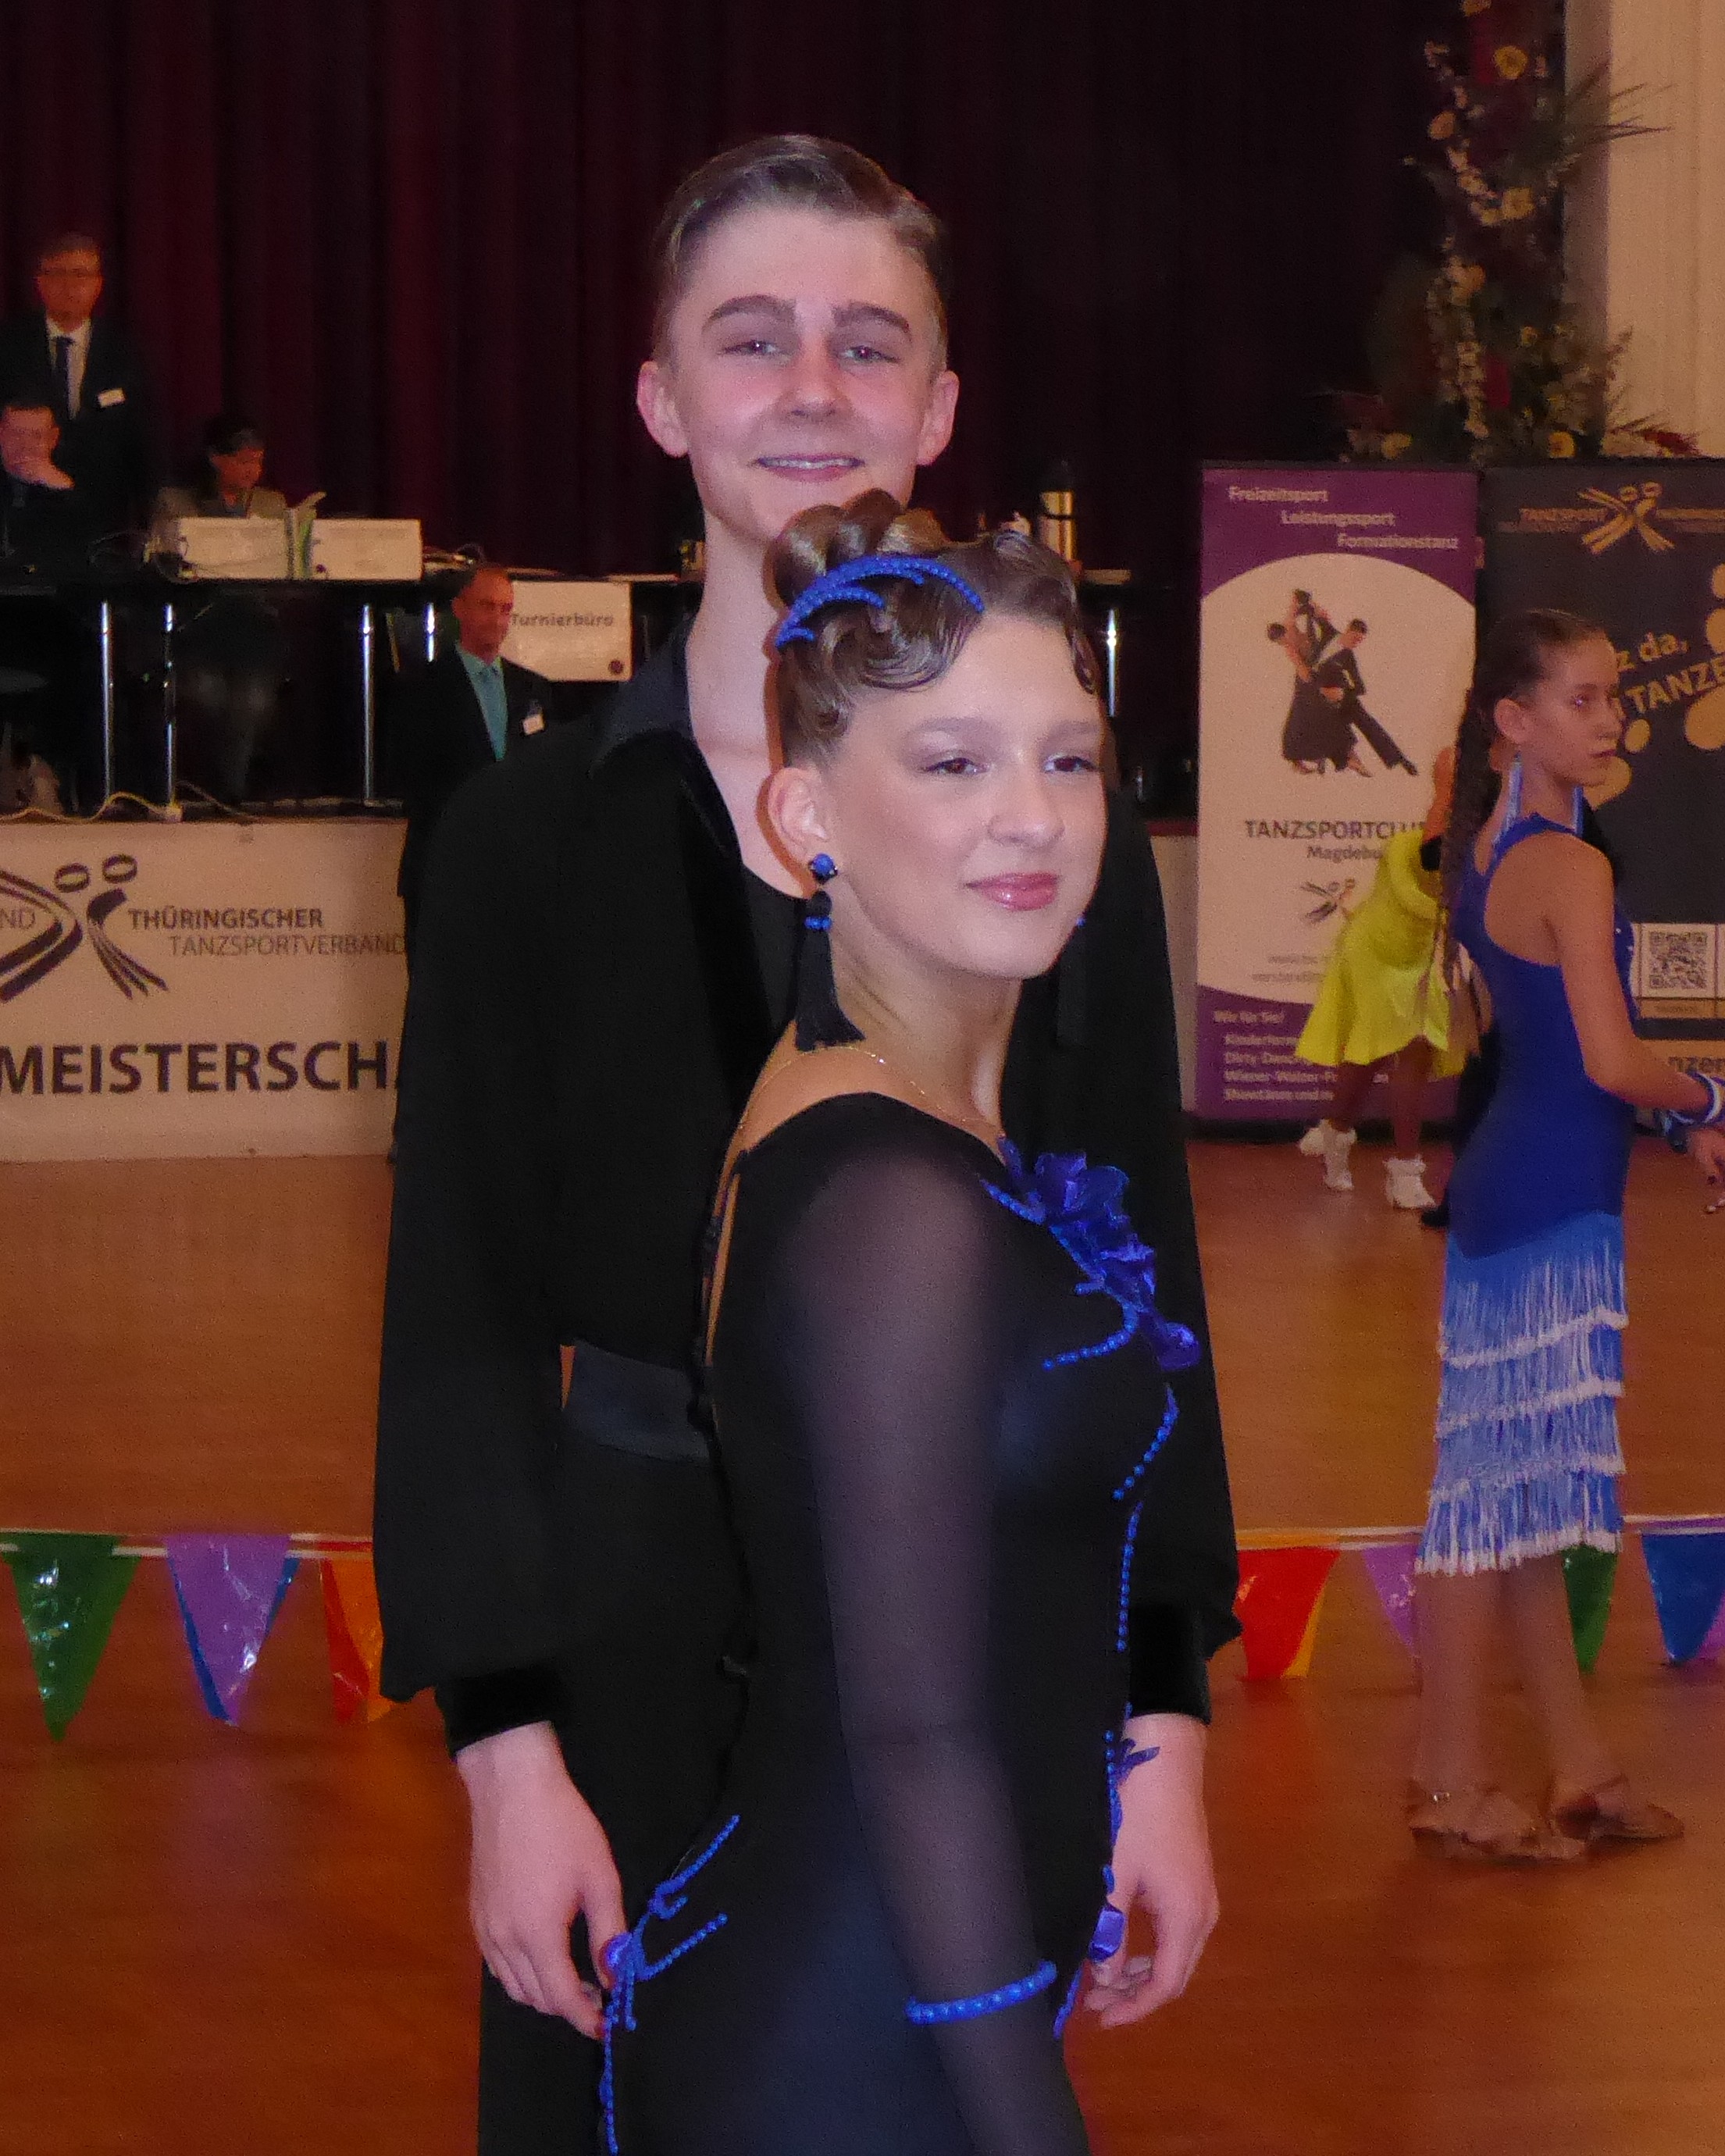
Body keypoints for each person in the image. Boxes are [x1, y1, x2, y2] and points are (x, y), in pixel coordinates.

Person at [374, 135, 1236, 2155]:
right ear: (662, 398)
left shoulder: (1045, 832)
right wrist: (506, 1748)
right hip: (626, 1663)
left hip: (974, 1671)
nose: (814, 387)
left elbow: (1145, 1260)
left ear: (939, 405)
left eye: (870, 341)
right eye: (752, 338)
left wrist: (1165, 1711)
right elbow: (460, 1312)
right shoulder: (524, 839)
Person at [605, 497, 1206, 2153]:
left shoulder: (924, 1124)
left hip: (902, 1998)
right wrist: (1027, 2124)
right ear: (805, 814)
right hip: (853, 2044)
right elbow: (915, 1734)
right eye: (951, 764)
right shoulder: (888, 1199)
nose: (1033, 817)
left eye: (1068, 758)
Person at [1409, 608, 1725, 1862]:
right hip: (1545, 1204)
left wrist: (1675, 1120)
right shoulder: (1569, 865)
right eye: (1582, 700)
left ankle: (1581, 1765)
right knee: (1484, 1501)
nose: (1611, 720)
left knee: (1525, 1497)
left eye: (1613, 698)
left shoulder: (1496, 847)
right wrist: (1707, 1098)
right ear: (1514, 719)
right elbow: (1605, 1056)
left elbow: (1561, 1055)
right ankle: (1447, 1783)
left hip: (1531, 1187)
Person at [1294, 751, 1465, 1209]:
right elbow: (1415, 902)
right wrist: (1462, 910)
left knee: (1403, 1053)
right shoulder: (1403, 849)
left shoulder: (1476, 853)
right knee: (1378, 1051)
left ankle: (1338, 1133)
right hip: (1371, 958)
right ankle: (1399, 1167)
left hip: (1418, 963)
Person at [384, 564, 551, 963]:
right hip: (443, 869)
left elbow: (545, 774)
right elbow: (410, 776)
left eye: (505, 609)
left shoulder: (532, 689)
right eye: (487, 606)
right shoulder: (420, 688)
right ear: (459, 609)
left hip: (513, 874)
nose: (498, 619)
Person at [151, 413, 291, 803]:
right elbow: (164, 560)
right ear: (216, 458)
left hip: (253, 626)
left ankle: (231, 793)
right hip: (198, 626)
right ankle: (216, 787)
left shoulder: (271, 504)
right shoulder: (177, 501)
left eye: (258, 461)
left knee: (253, 700)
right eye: (244, 461)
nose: (253, 471)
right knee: (207, 694)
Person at [0, 233, 157, 534]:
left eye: (81, 275)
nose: (70, 286)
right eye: (58, 274)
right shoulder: (9, 345)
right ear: (40, 282)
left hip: (104, 519)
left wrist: (147, 517)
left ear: (98, 284)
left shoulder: (124, 351)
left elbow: (142, 437)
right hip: (20, 515)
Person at [0, 398, 96, 807]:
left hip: (50, 618)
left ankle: (47, 770)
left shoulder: (67, 490)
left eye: (36, 436)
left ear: (54, 439)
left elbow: (89, 557)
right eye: (17, 434)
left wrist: (62, 492)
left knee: (87, 656)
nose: (26, 446)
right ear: (0, 435)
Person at [1313, 618, 1417, 775]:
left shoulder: (1348, 657)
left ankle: (1400, 760)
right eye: (1355, 638)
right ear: (1348, 630)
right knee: (1326, 724)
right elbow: (1318, 617)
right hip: (1322, 698)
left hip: (1345, 700)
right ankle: (1324, 758)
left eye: (1359, 641)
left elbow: (1360, 687)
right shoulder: (1330, 634)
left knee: (1370, 725)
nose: (1356, 643)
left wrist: (1342, 692)